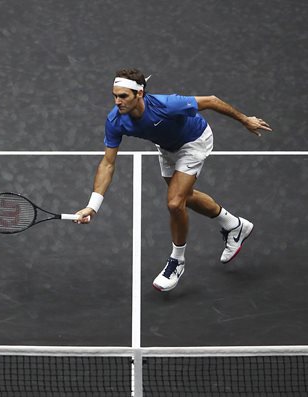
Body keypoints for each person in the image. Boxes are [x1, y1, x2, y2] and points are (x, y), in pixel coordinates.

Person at [76, 68, 272, 292]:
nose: (117, 101)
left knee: (175, 202)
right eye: (114, 95)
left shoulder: (167, 104)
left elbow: (211, 100)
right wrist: (93, 206)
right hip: (168, 148)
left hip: (194, 141)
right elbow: (108, 163)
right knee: (185, 197)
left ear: (139, 94)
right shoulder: (115, 121)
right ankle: (234, 225)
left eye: (123, 96)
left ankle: (177, 261)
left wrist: (245, 120)